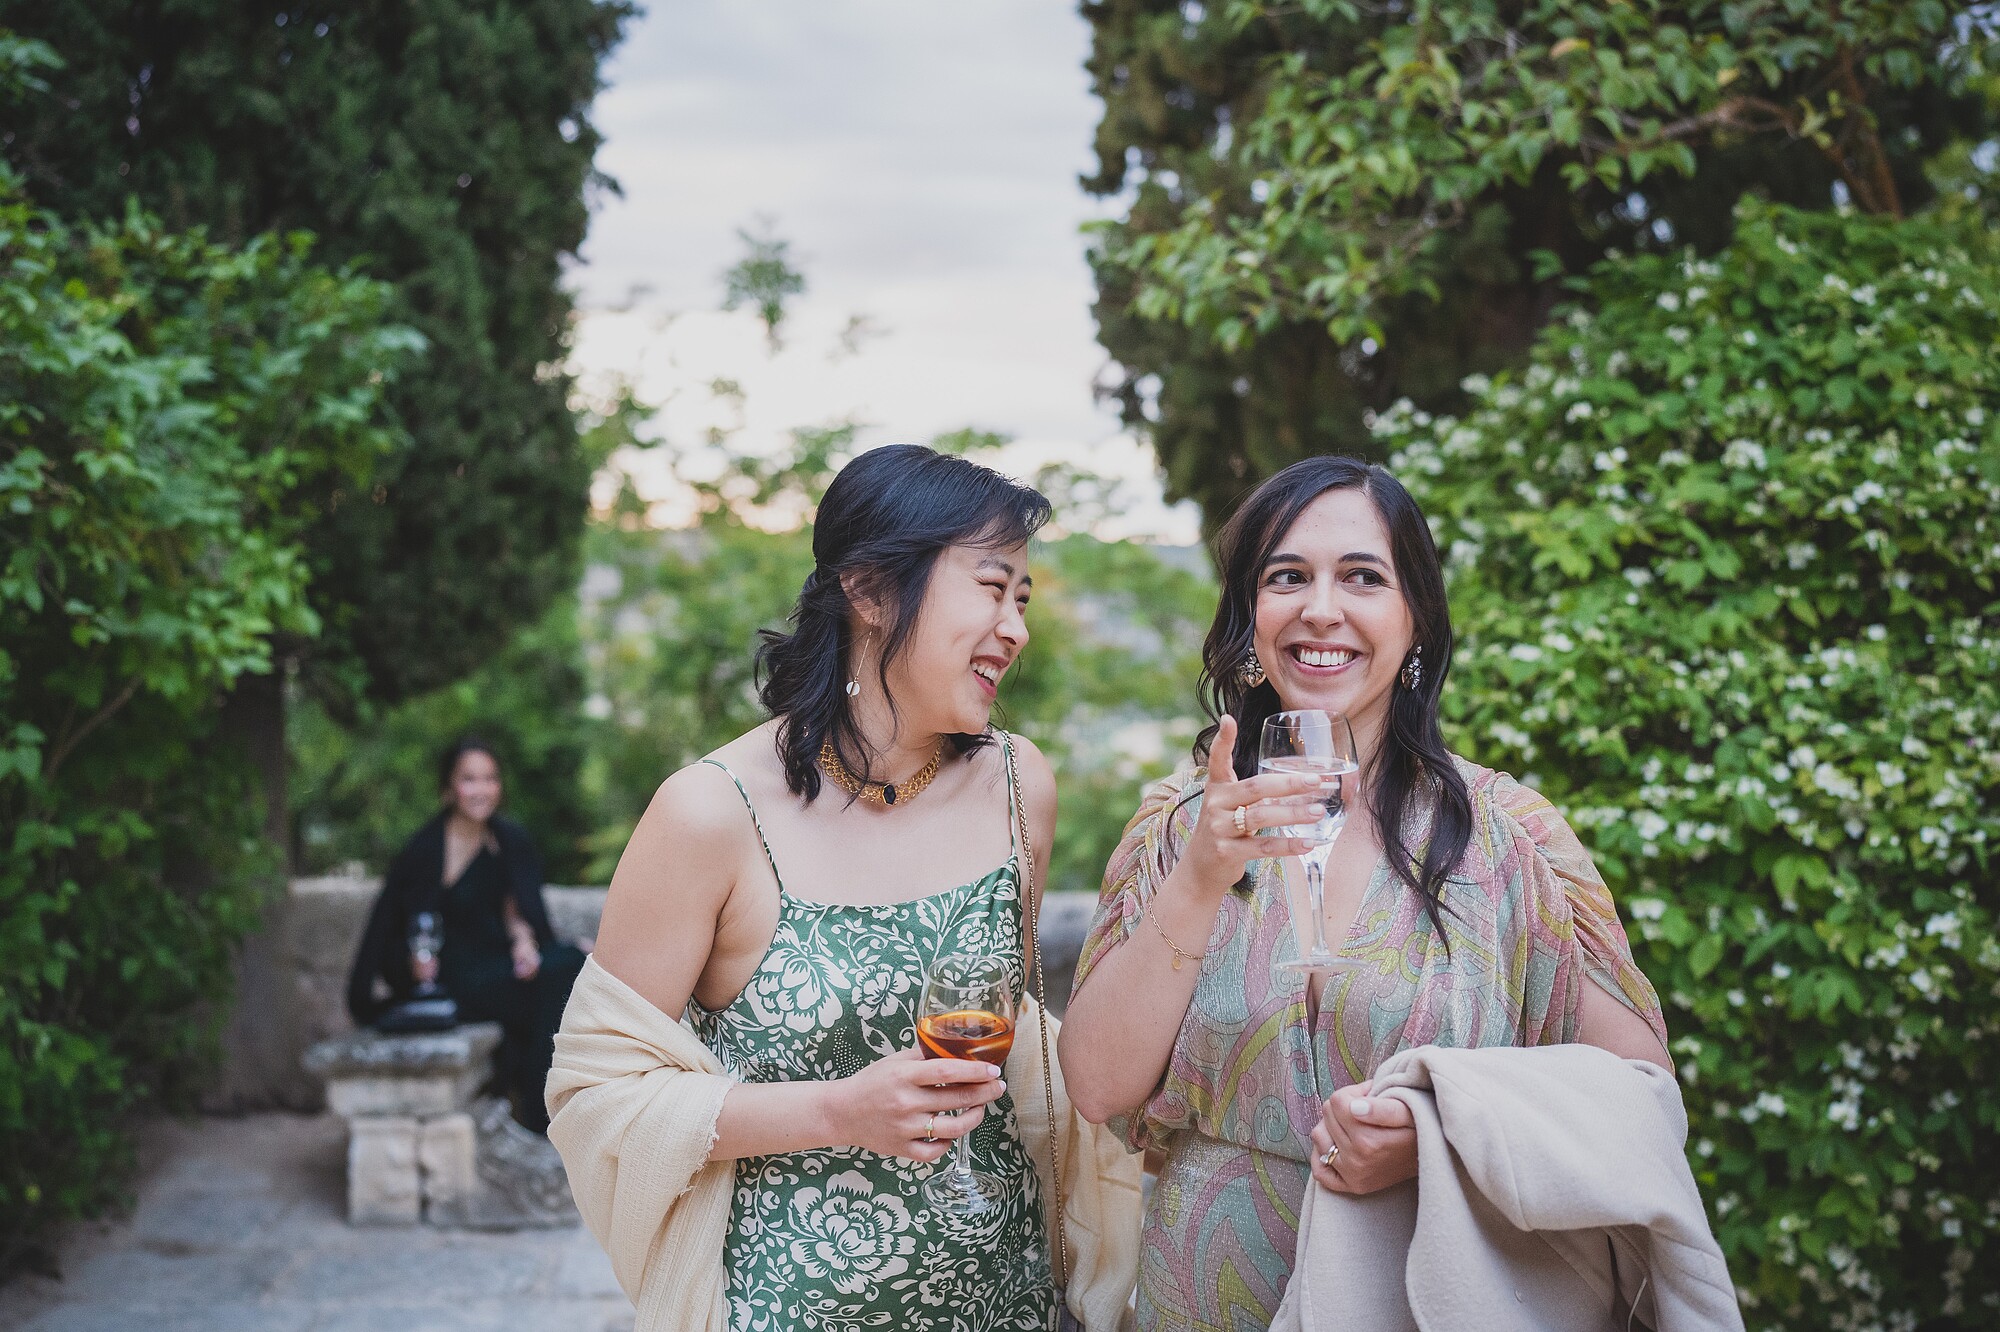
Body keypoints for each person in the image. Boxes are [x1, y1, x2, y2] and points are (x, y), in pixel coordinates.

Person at [1058, 456, 1672, 1331]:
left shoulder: (1515, 841)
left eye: (1362, 577)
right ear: (1250, 618)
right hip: (1199, 1298)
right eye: (1286, 578)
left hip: (1423, 1288)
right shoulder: (1175, 829)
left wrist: (1439, 1136)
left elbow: (1641, 1092)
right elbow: (1097, 1086)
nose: (1320, 608)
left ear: (1414, 616)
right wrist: (1198, 876)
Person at [578, 445, 1069, 1331]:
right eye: (992, 589)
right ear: (871, 590)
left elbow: (1017, 1034)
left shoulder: (1018, 785)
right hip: (789, 1305)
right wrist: (838, 1111)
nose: (1016, 628)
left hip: (1009, 1295)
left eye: (1022, 600)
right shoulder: (708, 813)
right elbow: (600, 1094)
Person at [346, 736, 587, 1133]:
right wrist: (412, 965)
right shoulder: (425, 848)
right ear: (449, 787)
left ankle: (540, 1102)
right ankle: (538, 1111)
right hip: (455, 978)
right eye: (469, 779)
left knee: (570, 964)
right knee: (562, 974)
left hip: (498, 963)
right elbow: (391, 929)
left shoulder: (508, 840)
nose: (481, 790)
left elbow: (518, 909)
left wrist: (523, 941)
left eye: (490, 779)